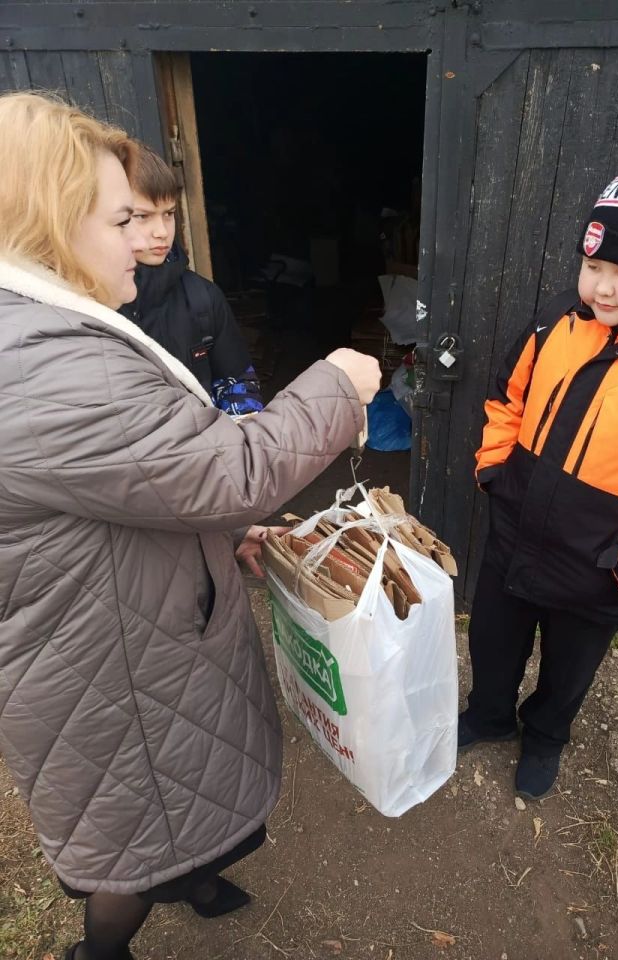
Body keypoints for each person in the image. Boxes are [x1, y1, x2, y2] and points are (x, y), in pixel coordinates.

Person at [0, 91, 380, 960]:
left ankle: (197, 873)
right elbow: (228, 472)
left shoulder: (38, 334)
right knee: (137, 831)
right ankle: (100, 952)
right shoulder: (44, 365)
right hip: (109, 669)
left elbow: (130, 487)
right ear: (53, 226)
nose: (143, 238)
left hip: (118, 632)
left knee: (172, 803)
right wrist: (339, 384)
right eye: (121, 217)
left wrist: (213, 540)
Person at [460, 123, 618, 801]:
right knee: (492, 644)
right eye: (594, 264)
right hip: (516, 536)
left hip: (601, 567)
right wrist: (497, 473)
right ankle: (488, 716)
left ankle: (545, 737)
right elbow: (504, 397)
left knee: (568, 673)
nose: (602, 288)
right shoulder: (557, 322)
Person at [119, 141, 263, 417]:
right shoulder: (81, 305)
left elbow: (238, 381)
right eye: (142, 216)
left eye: (169, 214)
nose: (161, 231)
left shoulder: (201, 297)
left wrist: (242, 434)